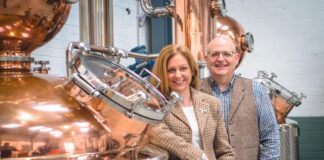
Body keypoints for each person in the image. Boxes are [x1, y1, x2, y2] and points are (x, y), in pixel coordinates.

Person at [145, 44, 235, 160]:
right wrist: (200, 157)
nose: (178, 75)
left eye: (183, 68)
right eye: (171, 70)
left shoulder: (211, 103)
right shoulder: (153, 104)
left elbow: (224, 151)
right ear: (162, 73)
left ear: (192, 71)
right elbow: (159, 134)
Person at [199, 36, 280, 160]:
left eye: (226, 54)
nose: (220, 59)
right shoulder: (194, 91)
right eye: (215, 54)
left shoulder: (256, 90)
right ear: (206, 59)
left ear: (236, 58)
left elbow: (271, 138)